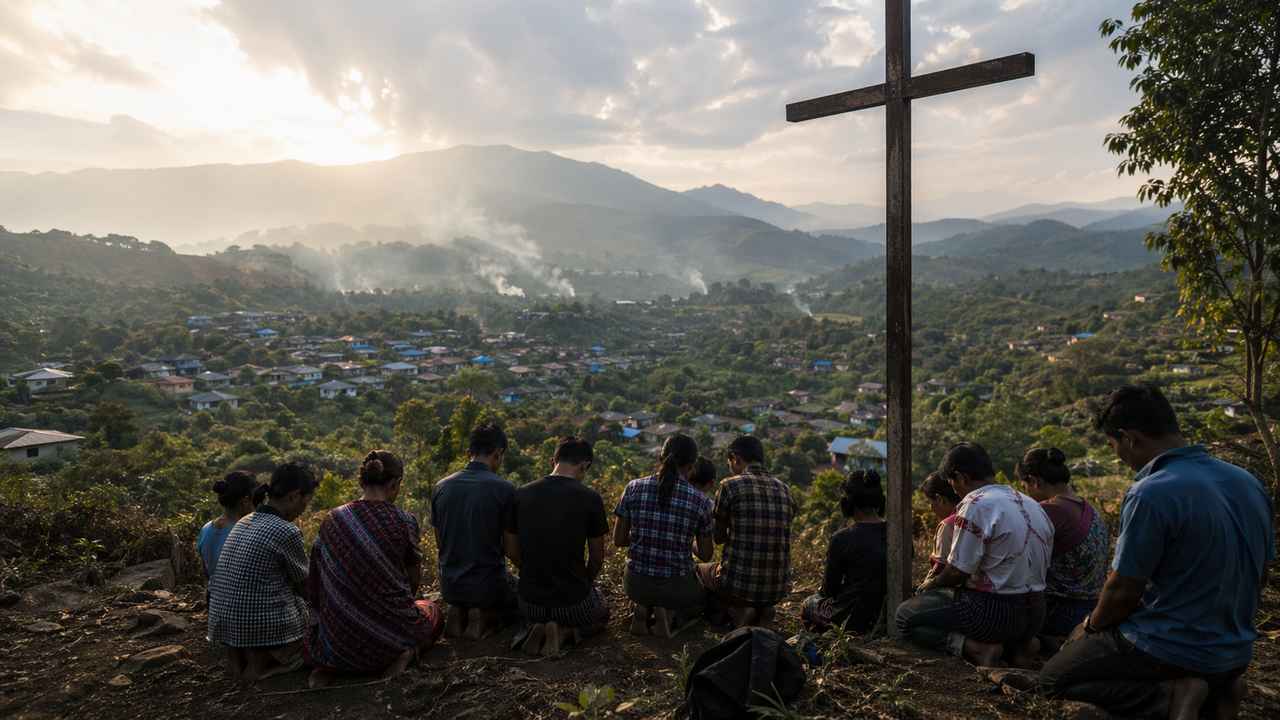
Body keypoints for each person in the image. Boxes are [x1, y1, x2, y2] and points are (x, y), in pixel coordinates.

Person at [1041, 386, 1274, 720]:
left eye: (1113, 445)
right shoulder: (1247, 481)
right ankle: (1221, 688)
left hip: (1169, 647)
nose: (1118, 456)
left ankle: (1167, 697)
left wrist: (1090, 626)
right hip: (1235, 651)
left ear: (1130, 438)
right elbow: (1260, 574)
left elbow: (1123, 591)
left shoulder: (1150, 493)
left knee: (1052, 679)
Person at [895, 442, 1053, 668]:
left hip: (994, 613)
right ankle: (1021, 647)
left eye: (952, 482)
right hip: (1037, 612)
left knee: (904, 616)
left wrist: (930, 585)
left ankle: (975, 648)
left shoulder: (975, 504)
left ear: (961, 477)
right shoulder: (1031, 503)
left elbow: (957, 571)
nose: (954, 490)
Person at [305, 451, 444, 687]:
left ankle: (328, 668)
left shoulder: (332, 519)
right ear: (394, 484)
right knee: (432, 611)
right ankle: (404, 654)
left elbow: (315, 580)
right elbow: (412, 580)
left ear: (361, 481)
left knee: (323, 637)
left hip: (336, 644)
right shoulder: (403, 520)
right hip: (388, 641)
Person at [208, 462, 316, 683]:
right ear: (295, 496)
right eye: (306, 502)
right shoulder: (286, 530)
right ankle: (265, 667)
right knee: (312, 620)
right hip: (256, 626)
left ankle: (243, 661)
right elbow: (306, 586)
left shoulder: (244, 521)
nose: (304, 509)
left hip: (224, 625)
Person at [505, 437, 610, 656]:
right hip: (572, 603)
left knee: (526, 606)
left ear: (553, 460)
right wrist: (585, 581)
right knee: (602, 610)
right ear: (585, 465)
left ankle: (536, 627)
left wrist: (530, 571)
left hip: (530, 602)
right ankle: (564, 633)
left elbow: (511, 550)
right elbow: (598, 557)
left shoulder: (521, 494)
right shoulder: (590, 498)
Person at [613, 434, 714, 637]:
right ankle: (667, 614)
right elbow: (706, 555)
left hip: (635, 585)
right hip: (677, 588)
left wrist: (645, 537)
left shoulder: (633, 488)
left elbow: (619, 540)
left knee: (649, 587)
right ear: (691, 465)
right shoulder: (700, 501)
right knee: (704, 593)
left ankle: (643, 607)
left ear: (661, 456)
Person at [696, 435, 797, 628]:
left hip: (737, 585)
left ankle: (736, 610)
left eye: (730, 463)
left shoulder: (729, 486)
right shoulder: (785, 490)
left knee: (699, 571)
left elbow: (718, 538)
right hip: (776, 589)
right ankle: (762, 609)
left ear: (736, 458)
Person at [431, 423, 517, 639]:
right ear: (498, 454)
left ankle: (458, 609)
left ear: (469, 452)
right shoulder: (504, 489)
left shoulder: (442, 487)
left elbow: (440, 544)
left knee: (463, 588)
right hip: (487, 586)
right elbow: (510, 549)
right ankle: (483, 614)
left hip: (450, 586)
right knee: (519, 593)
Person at [1015, 447, 1108, 646]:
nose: (1027, 492)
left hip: (1061, 613)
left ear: (1035, 481)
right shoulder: (1089, 508)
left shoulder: (1048, 510)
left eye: (1025, 485)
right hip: (1093, 609)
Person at [801, 469, 887, 634]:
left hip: (851, 618)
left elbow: (829, 590)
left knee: (808, 604)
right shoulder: (898, 535)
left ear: (848, 503)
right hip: (887, 614)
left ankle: (822, 641)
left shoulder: (841, 538)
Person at [197, 471, 261, 581]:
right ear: (245, 501)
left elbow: (206, 572)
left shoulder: (205, 529)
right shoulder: (247, 532)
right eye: (255, 501)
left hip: (214, 595)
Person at [918, 471, 961, 589]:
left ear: (939, 499)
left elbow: (940, 568)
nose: (931, 508)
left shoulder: (947, 526)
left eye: (930, 502)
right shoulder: (970, 514)